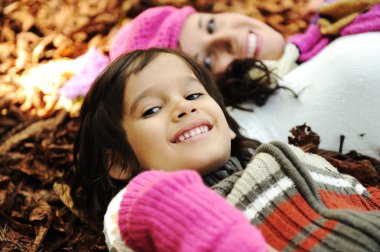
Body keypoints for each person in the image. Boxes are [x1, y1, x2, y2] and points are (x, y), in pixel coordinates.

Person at [71, 48, 380, 252]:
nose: (183, 107)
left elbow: (360, 199)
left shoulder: (283, 155)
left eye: (193, 94)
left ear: (229, 126)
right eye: (151, 109)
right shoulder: (148, 203)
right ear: (121, 161)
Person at [61, 2, 380, 156]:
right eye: (208, 59)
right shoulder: (248, 122)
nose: (228, 37)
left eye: (210, 25)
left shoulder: (326, 23)